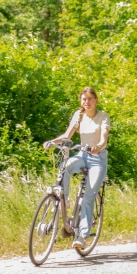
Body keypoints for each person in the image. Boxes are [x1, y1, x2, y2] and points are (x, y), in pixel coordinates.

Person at [43, 87, 110, 249]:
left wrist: (99, 146)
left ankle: (82, 235)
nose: (87, 102)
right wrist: (52, 142)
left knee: (88, 197)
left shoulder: (103, 117)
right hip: (82, 155)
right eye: (84, 99)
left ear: (96, 101)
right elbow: (67, 136)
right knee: (65, 166)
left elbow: (104, 138)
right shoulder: (78, 115)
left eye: (90, 99)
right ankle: (63, 198)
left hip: (97, 159)